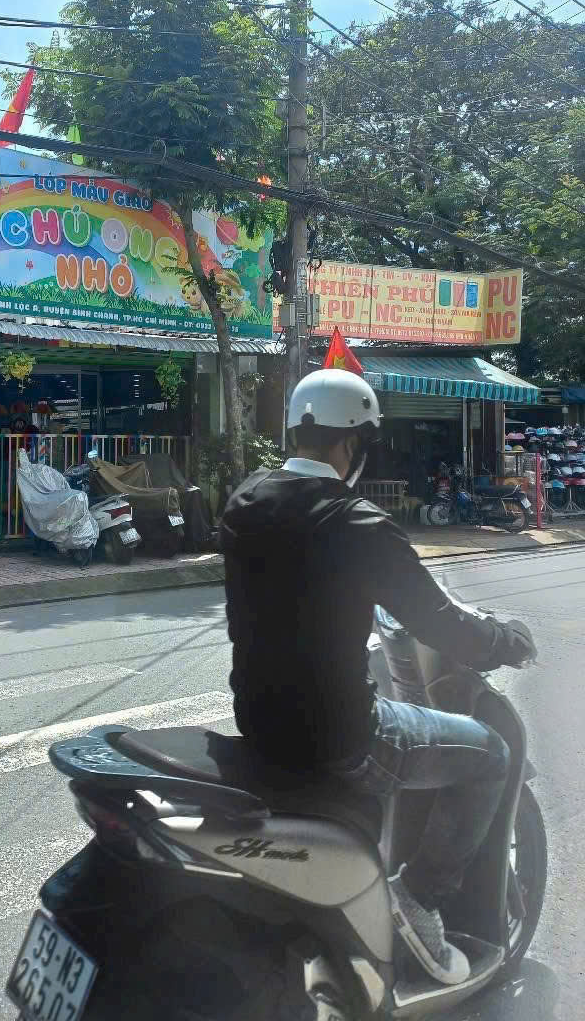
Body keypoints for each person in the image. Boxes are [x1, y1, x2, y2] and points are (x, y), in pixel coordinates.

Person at [219, 369, 536, 986]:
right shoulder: (356, 523)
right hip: (344, 737)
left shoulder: (246, 500)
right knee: (493, 754)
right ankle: (419, 896)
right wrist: (504, 641)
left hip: (258, 724)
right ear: (353, 442)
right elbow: (438, 621)